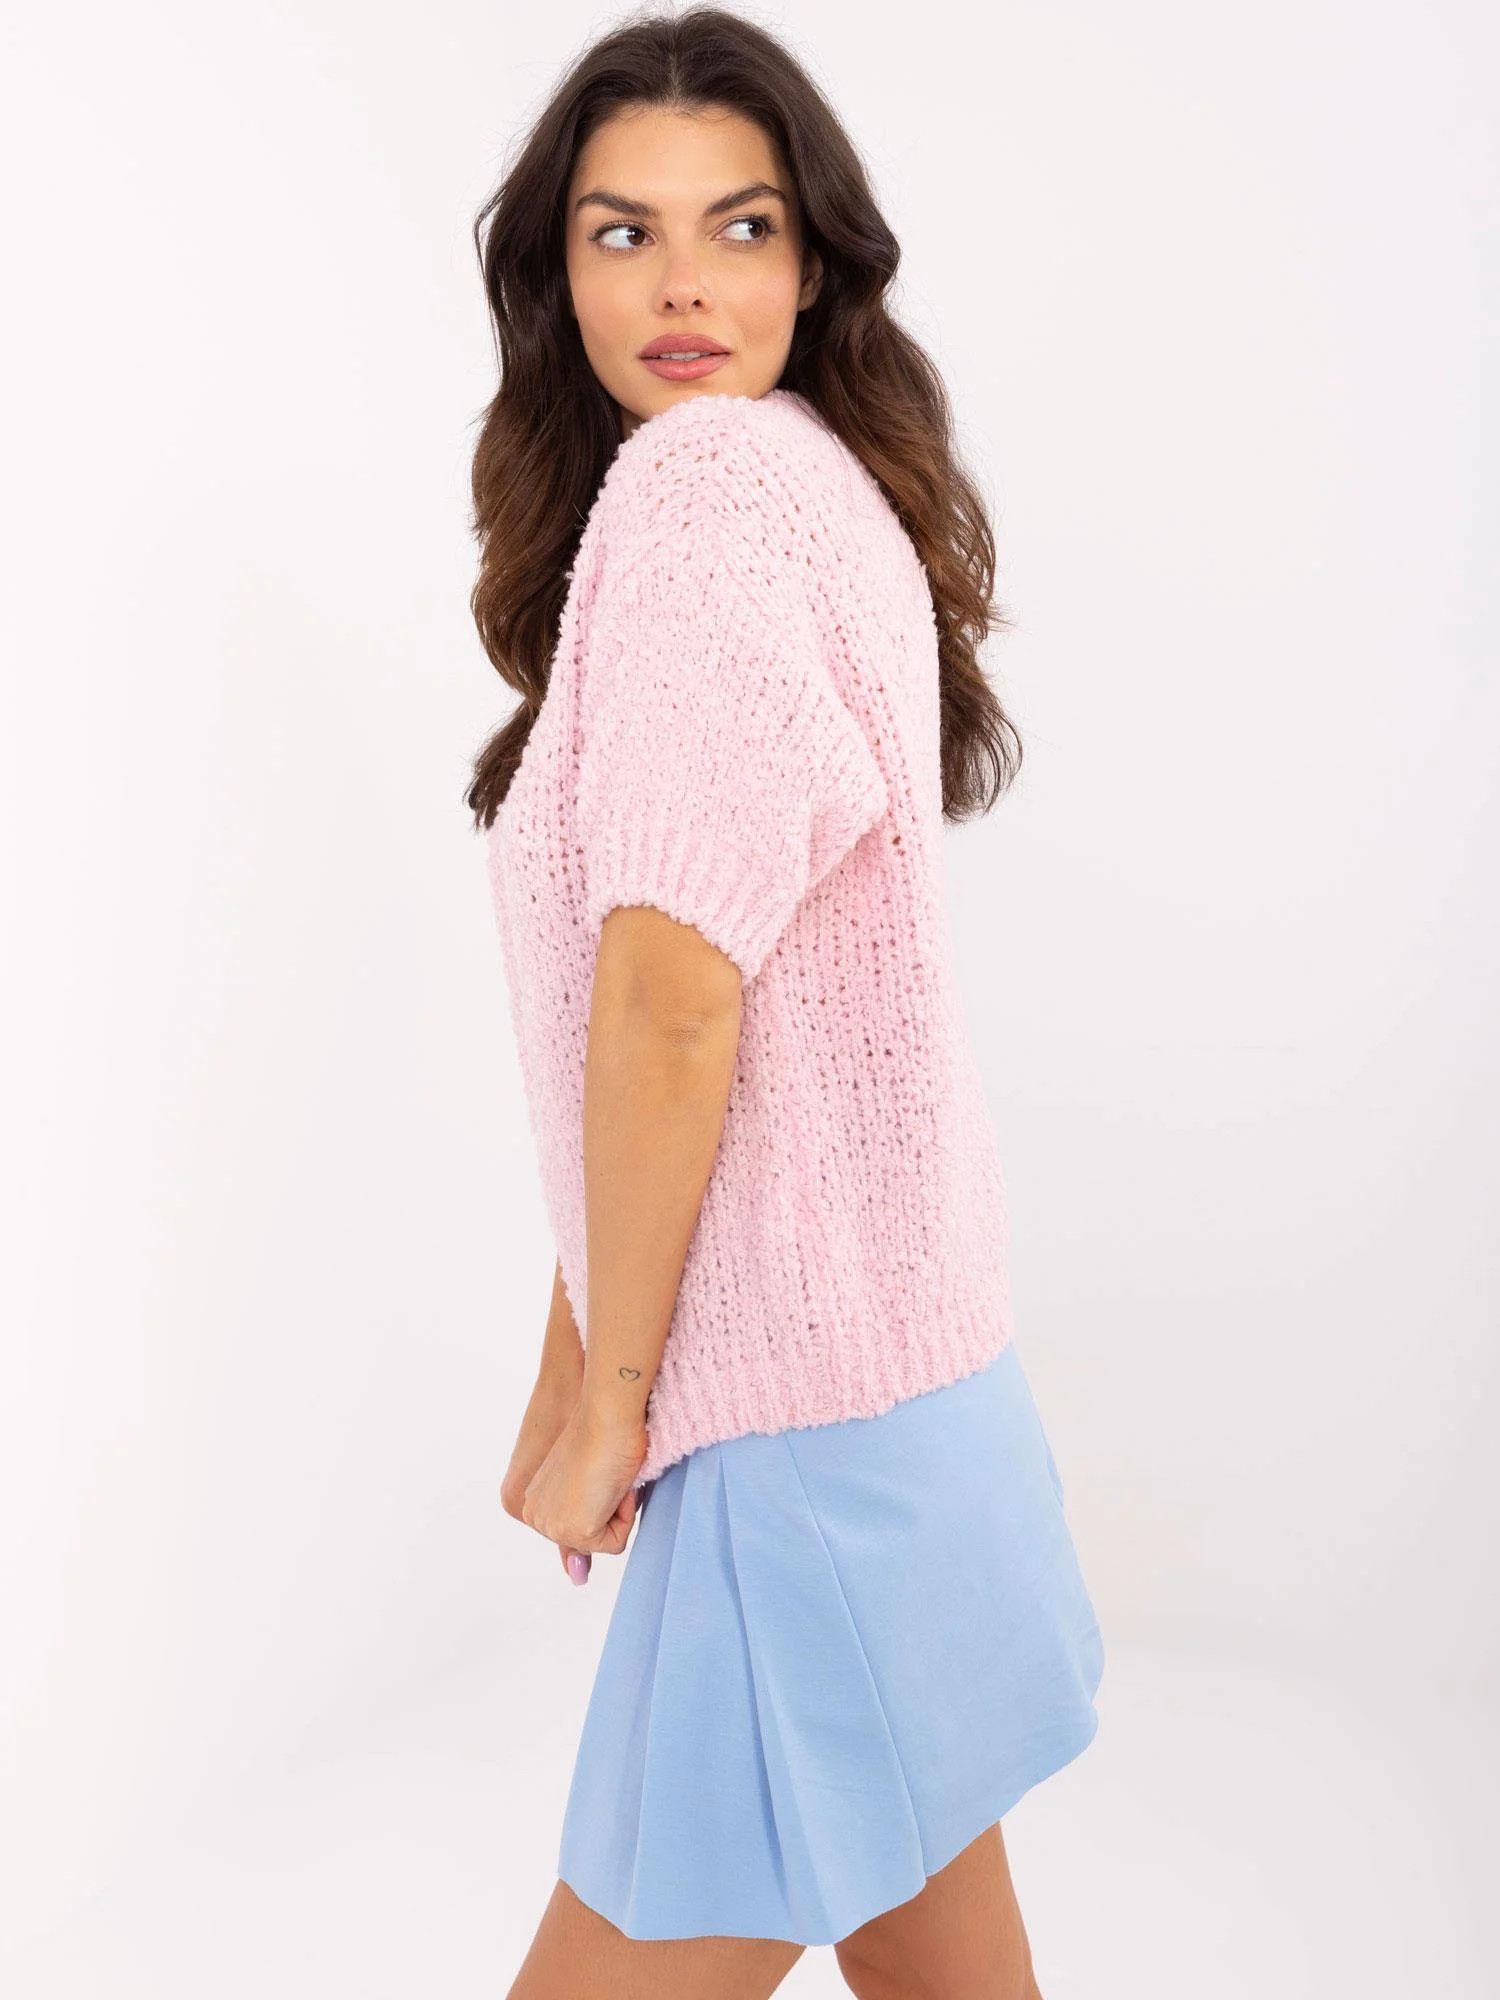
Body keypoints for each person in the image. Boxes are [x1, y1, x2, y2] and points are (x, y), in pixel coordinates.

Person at [466, 10, 1104, 1996]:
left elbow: (674, 1005)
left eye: (738, 227)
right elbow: (686, 1021)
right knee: (943, 1966)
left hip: (806, 1445)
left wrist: (614, 1411)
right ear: (558, 272)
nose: (681, 285)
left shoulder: (710, 496)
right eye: (623, 232)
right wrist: (571, 1362)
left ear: (813, 260)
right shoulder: (818, 480)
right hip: (905, 1390)